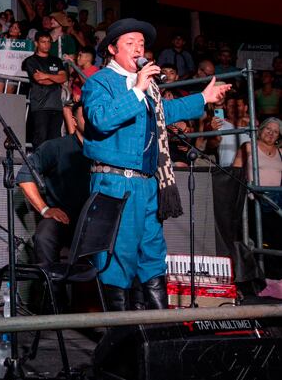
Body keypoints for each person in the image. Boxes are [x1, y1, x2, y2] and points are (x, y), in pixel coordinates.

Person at [82, 18, 231, 311]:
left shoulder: (148, 88)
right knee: (118, 254)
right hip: (116, 182)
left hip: (149, 182)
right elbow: (99, 119)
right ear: (112, 49)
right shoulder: (100, 82)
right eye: (130, 43)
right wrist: (137, 89)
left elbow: (165, 110)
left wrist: (203, 97)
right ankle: (120, 336)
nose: (139, 49)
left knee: (152, 252)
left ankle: (158, 329)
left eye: (142, 44)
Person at [16, 103, 91, 281]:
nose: (92, 121)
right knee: (44, 235)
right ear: (74, 120)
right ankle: (53, 296)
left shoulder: (108, 149)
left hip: (95, 222)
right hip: (65, 219)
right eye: (85, 116)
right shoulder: (56, 147)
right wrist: (45, 209)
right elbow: (25, 175)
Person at [233, 117, 282, 275]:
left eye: (275, 132)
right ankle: (263, 277)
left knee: (277, 240)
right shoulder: (248, 147)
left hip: (277, 202)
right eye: (268, 129)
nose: (271, 133)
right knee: (261, 240)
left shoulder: (281, 152)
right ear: (261, 129)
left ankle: (275, 278)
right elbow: (235, 172)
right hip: (256, 200)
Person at [22, 31, 67, 149]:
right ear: (36, 43)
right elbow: (39, 80)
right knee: (40, 138)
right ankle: (39, 165)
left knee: (55, 139)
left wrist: (47, 75)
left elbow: (63, 77)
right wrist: (55, 78)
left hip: (56, 105)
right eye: (43, 42)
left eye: (48, 42)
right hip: (40, 105)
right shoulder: (31, 61)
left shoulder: (56, 60)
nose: (46, 45)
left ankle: (53, 166)